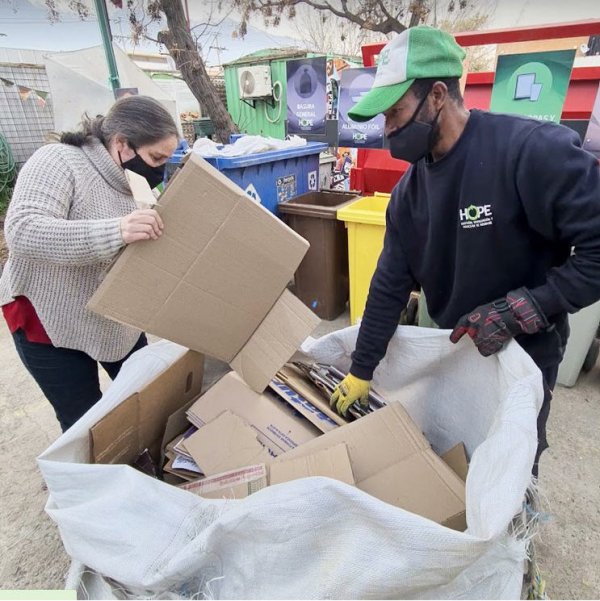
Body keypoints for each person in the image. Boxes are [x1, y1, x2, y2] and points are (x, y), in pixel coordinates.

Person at [329, 25, 600, 476]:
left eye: (395, 113)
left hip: (526, 355)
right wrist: (362, 368)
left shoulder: (530, 153)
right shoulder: (409, 196)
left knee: (513, 466)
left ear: (437, 95)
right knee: (459, 456)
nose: (388, 130)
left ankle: (515, 527)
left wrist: (527, 307)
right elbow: (389, 285)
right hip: (456, 350)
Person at [0, 95, 179, 432]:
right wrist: (118, 230)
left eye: (166, 160)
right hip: (51, 319)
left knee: (148, 396)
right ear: (122, 143)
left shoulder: (136, 184)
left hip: (113, 315)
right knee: (86, 423)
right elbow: (23, 230)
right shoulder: (59, 161)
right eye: (156, 157)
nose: (159, 169)